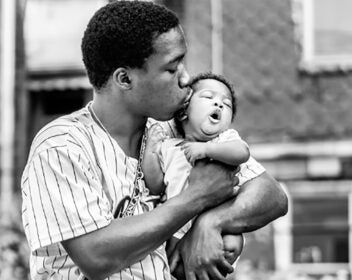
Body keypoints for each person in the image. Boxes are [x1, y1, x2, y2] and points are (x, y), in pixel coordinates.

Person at [20, 2, 288, 280]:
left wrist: (211, 222)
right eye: (172, 69)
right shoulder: (62, 146)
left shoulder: (176, 129)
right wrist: (195, 198)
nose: (186, 78)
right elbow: (96, 256)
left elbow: (272, 196)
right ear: (124, 78)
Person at [142, 72, 264, 276]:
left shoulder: (223, 140)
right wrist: (151, 151)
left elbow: (242, 152)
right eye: (209, 98)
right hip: (177, 223)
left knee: (231, 244)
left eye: (226, 105)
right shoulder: (169, 147)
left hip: (219, 221)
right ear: (183, 113)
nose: (218, 105)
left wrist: (207, 150)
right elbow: (154, 183)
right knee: (174, 263)